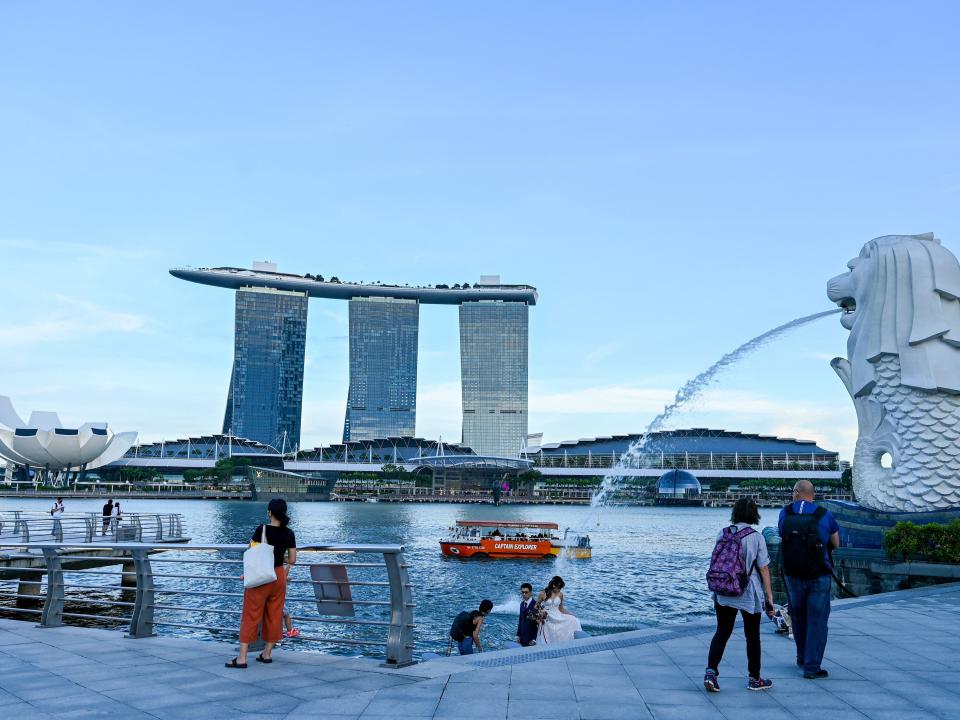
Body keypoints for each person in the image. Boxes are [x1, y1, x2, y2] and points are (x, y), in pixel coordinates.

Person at [704, 498, 776, 693]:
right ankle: (754, 679)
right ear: (754, 514)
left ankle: (711, 672)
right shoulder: (756, 537)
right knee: (752, 636)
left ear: (734, 513)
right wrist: (769, 598)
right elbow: (764, 569)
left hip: (723, 588)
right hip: (747, 590)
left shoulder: (723, 533)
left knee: (722, 632)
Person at [778, 480, 840, 680]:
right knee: (817, 620)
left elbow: (781, 534)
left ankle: (801, 657)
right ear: (813, 494)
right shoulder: (824, 514)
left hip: (792, 574)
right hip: (819, 575)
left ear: (796, 493)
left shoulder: (785, 513)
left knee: (798, 617)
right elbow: (836, 543)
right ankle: (812, 667)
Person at [226, 498, 297, 669]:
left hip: (261, 577)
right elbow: (293, 560)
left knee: (251, 615)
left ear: (269, 512)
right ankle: (267, 654)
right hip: (279, 576)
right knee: (274, 615)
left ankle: (242, 658)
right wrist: (280, 556)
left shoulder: (262, 529)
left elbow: (252, 552)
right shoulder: (289, 533)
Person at [536, 576, 581, 644]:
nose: (560, 589)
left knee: (574, 620)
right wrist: (540, 613)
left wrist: (570, 614)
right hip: (547, 617)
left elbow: (561, 608)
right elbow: (536, 606)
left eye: (561, 588)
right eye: (559, 587)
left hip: (557, 616)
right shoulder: (542, 593)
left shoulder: (560, 594)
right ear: (554, 585)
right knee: (547, 636)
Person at [515, 582, 538, 647]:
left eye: (526, 592)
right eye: (522, 592)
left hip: (531, 639)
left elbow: (538, 624)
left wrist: (534, 639)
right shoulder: (522, 604)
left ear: (531, 592)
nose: (524, 594)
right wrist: (518, 635)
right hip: (521, 638)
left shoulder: (535, 605)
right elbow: (520, 620)